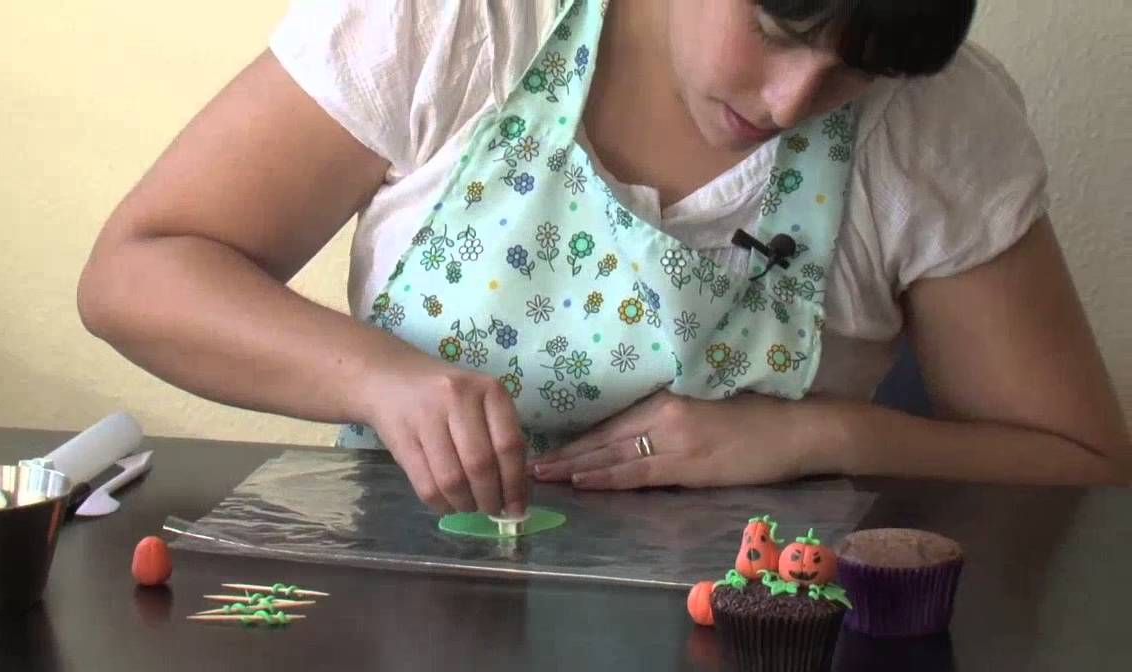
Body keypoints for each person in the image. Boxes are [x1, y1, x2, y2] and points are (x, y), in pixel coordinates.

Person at [77, 0, 1131, 519]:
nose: (786, 104)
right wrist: (376, 376)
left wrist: (812, 434)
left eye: (852, 71)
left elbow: (1079, 458)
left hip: (756, 655)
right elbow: (139, 270)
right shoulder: (464, 23)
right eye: (770, 26)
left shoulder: (930, 126)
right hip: (409, 609)